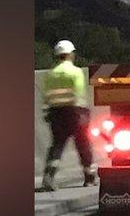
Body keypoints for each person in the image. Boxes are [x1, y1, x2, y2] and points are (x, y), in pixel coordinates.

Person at [41, 39, 97, 191]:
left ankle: (49, 177)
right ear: (71, 54)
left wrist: (48, 113)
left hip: (56, 114)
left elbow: (46, 98)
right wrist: (85, 114)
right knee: (83, 145)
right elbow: (78, 95)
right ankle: (89, 178)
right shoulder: (76, 72)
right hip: (75, 113)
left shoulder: (51, 74)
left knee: (57, 146)